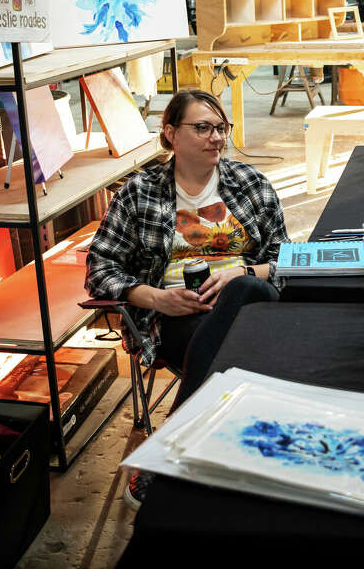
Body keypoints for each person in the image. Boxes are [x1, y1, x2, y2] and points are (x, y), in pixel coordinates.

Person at [85, 90, 287, 505]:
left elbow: (288, 261)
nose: (215, 137)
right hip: (177, 318)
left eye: (220, 128)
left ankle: (171, 442)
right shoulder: (138, 194)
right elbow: (99, 269)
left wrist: (245, 271)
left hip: (255, 306)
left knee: (243, 290)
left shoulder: (250, 185)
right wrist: (158, 299)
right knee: (224, 341)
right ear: (170, 133)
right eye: (202, 128)